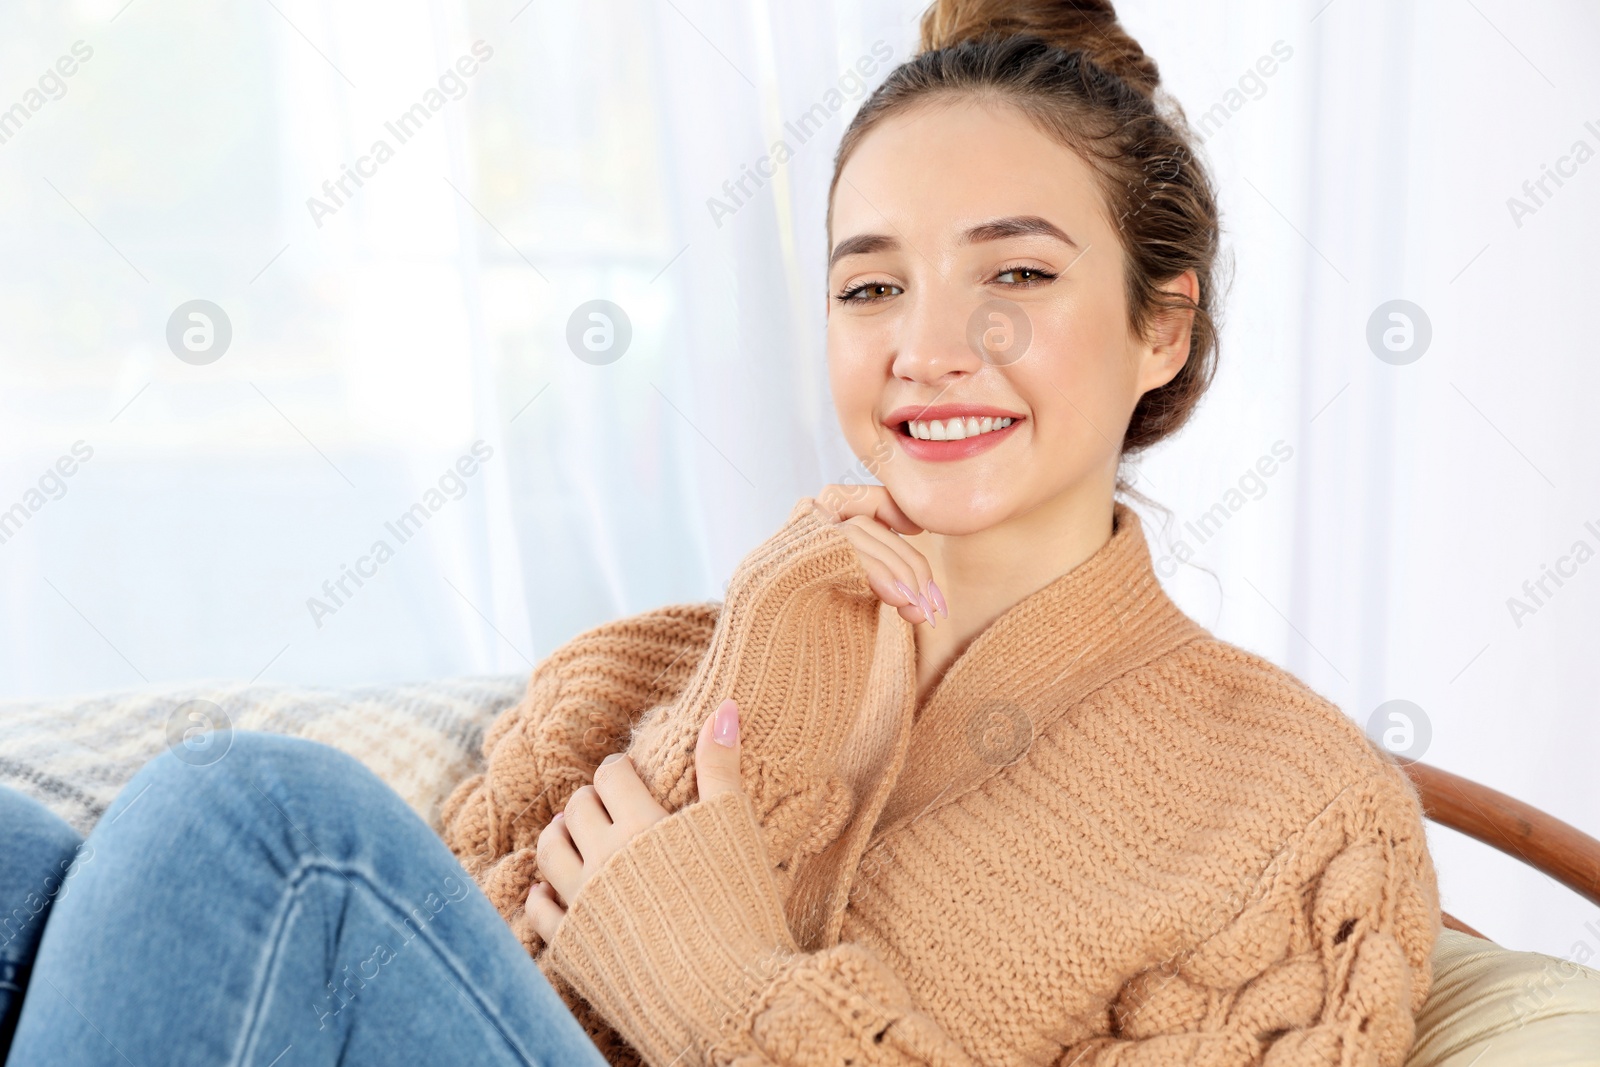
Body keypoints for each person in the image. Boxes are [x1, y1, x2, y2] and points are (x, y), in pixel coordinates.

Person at [2, 0, 1441, 1064]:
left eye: (1015, 272)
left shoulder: (1297, 818)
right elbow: (382, 1002)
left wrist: (723, 978)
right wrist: (756, 687)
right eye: (870, 289)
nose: (928, 349)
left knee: (251, 821)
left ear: (1160, 326)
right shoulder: (642, 676)